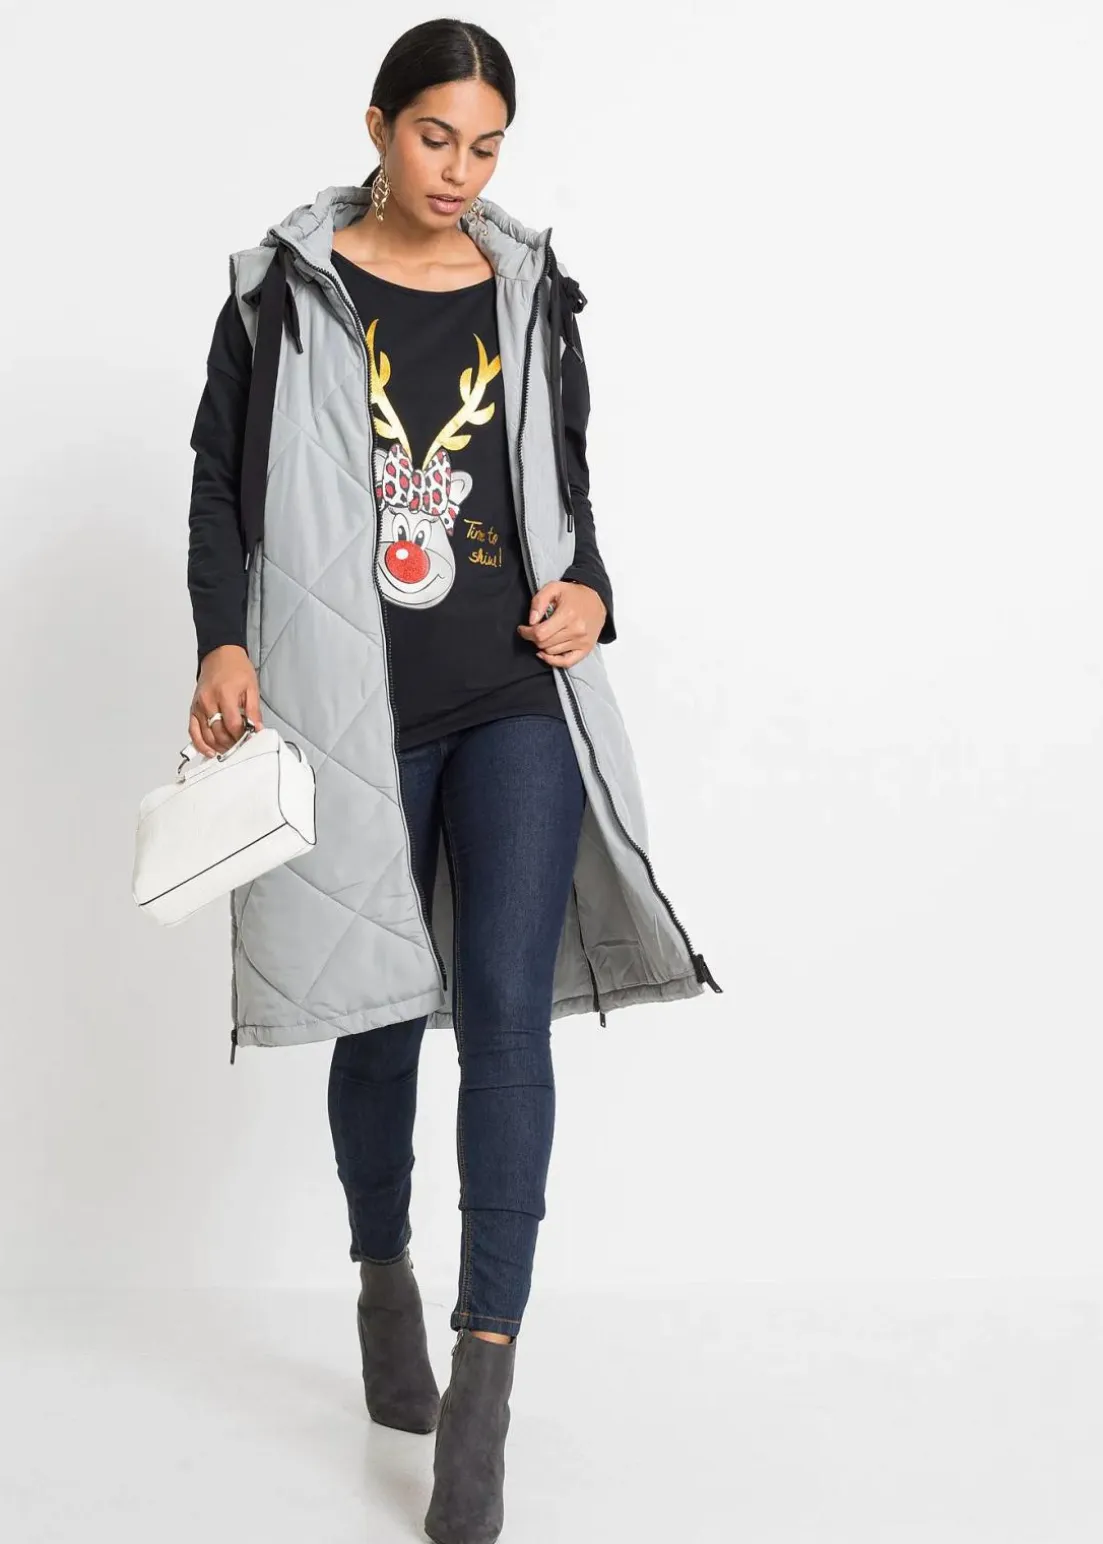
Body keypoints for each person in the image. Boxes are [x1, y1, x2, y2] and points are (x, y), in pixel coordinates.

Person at [184, 17, 721, 1543]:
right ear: (377, 125)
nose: (460, 171)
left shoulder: (531, 290)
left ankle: (485, 1374)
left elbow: (568, 485)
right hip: (351, 711)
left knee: (502, 1021)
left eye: (486, 147)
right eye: (435, 137)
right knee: (374, 1017)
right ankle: (382, 1278)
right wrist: (222, 640)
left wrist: (592, 592)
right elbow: (218, 486)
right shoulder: (278, 294)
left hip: (512, 701)